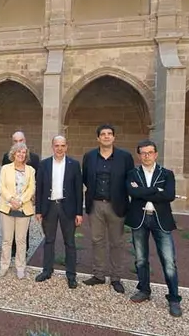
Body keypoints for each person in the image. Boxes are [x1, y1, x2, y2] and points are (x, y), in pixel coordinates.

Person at [126, 139, 182, 317]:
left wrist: (144, 191)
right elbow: (132, 192)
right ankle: (144, 290)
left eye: (150, 152)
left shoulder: (167, 174)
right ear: (139, 155)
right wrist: (156, 191)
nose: (147, 156)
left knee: (169, 262)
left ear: (156, 154)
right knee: (141, 259)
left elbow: (170, 195)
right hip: (139, 220)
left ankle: (173, 298)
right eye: (143, 153)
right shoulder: (132, 173)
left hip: (161, 220)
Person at [82, 124, 134, 293]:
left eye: (109, 134)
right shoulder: (89, 156)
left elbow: (130, 179)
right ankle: (98, 275)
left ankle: (116, 277)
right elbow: (85, 178)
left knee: (117, 242)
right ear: (98, 138)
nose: (106, 136)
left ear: (114, 137)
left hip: (116, 205)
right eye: (103, 134)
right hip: (95, 204)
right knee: (97, 240)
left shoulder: (125, 157)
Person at [34, 135, 83, 289]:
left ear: (66, 147)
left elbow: (78, 190)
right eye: (57, 145)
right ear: (52, 147)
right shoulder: (44, 164)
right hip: (49, 207)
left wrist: (79, 212)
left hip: (67, 207)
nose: (60, 148)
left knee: (70, 242)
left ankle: (71, 275)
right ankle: (47, 271)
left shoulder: (74, 165)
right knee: (49, 240)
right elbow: (39, 188)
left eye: (62, 145)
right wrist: (39, 210)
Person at [0, 142, 35, 278]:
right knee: (7, 240)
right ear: (13, 153)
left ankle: (20, 267)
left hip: (23, 208)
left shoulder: (30, 170)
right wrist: (11, 199)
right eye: (18, 152)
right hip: (7, 206)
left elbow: (31, 188)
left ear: (26, 155)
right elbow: (1, 186)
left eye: (23, 152)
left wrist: (20, 201)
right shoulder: (6, 168)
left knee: (21, 240)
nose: (21, 154)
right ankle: (4, 265)